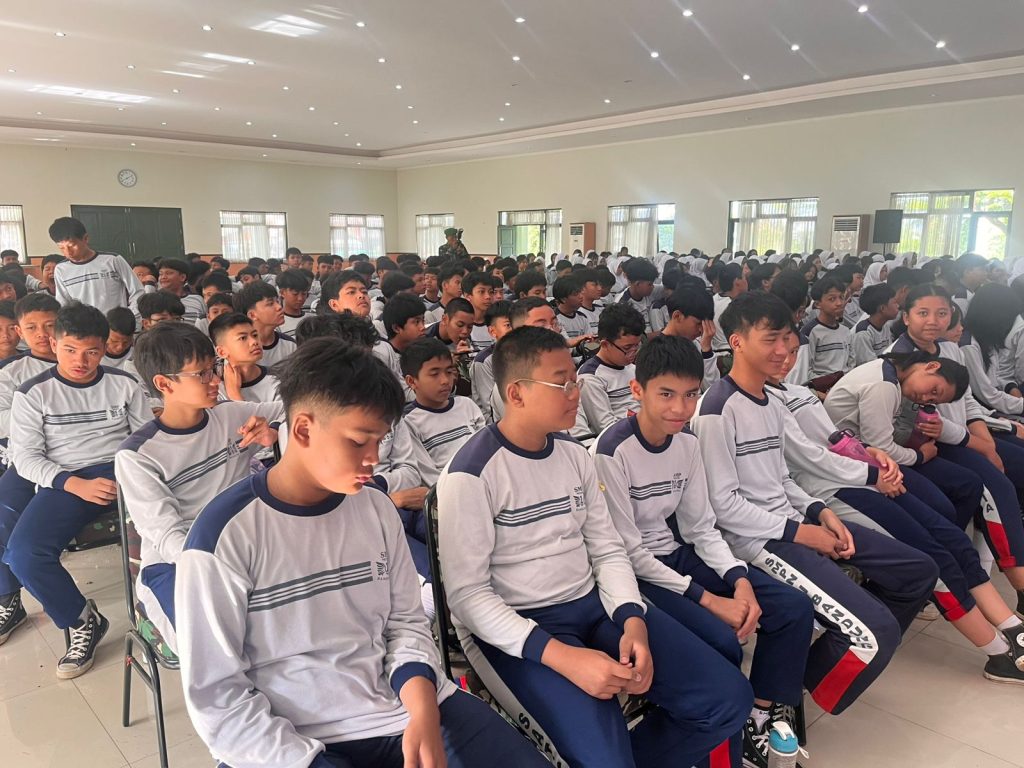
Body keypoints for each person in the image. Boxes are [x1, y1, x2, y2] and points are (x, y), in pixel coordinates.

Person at [176, 338, 548, 768]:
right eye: (358, 442)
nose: (373, 459)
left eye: (380, 441)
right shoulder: (222, 537)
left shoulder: (374, 508)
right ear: (303, 430)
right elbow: (218, 698)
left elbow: (404, 623)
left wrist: (424, 711)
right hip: (293, 737)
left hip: (401, 705)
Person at [437, 326, 752, 768]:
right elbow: (468, 597)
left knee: (728, 700)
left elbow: (607, 549)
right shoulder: (470, 474)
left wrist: (633, 620)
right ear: (517, 393)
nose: (576, 392)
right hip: (520, 627)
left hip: (593, 605)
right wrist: (564, 658)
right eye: (562, 383)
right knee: (605, 757)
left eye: (575, 380)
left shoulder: (573, 455)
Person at [689, 292, 938, 715]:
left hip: (794, 522)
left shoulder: (772, 401)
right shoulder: (716, 410)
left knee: (918, 571)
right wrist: (803, 534)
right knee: (876, 633)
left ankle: (801, 670)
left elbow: (782, 478)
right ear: (737, 342)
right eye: (770, 339)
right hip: (757, 541)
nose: (784, 350)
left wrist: (819, 513)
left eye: (787, 338)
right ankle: (774, 705)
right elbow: (723, 507)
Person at [592, 335, 814, 767]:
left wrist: (739, 580)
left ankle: (756, 715)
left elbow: (700, 527)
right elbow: (627, 552)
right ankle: (703, 736)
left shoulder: (687, 443)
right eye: (666, 394)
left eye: (691, 394)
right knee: (721, 642)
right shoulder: (611, 451)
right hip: (636, 573)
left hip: (675, 555)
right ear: (637, 390)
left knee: (791, 607)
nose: (680, 407)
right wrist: (709, 600)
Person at [820, 351, 1024, 682]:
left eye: (934, 398)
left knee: (952, 536)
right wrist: (918, 455)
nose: (927, 399)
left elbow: (868, 446)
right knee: (937, 555)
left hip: (872, 473)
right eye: (933, 391)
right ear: (931, 365)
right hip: (848, 483)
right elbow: (874, 447)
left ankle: (1012, 628)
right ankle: (999, 652)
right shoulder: (882, 383)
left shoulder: (890, 380)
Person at [0, 303, 150, 674]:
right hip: (66, 478)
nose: (80, 361)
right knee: (24, 555)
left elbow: (146, 439)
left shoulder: (124, 383)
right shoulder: (33, 393)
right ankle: (82, 620)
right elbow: (26, 458)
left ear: (105, 348)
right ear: (54, 344)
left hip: (122, 470)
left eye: (91, 352)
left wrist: (130, 475)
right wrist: (73, 484)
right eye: (70, 350)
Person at [114, 324, 281, 651]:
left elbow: (301, 410)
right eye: (201, 374)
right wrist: (223, 565)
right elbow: (168, 535)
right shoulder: (139, 455)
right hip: (179, 564)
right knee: (211, 646)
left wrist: (274, 430)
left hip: (247, 543)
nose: (216, 380)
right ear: (164, 384)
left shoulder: (230, 416)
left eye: (214, 369)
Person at [400, 337, 484, 486]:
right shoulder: (409, 423)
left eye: (449, 371)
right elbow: (428, 475)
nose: (445, 380)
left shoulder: (467, 405)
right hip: (448, 489)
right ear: (412, 381)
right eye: (434, 374)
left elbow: (484, 449)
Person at [573, 303, 645, 439]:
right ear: (605, 344)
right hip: (620, 439)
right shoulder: (590, 377)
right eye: (627, 347)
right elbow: (605, 427)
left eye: (637, 345)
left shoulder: (633, 369)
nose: (633, 352)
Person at [48, 217, 144, 314]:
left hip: (115, 322)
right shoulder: (61, 269)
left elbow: (137, 291)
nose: (68, 252)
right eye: (61, 248)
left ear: (86, 238)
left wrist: (132, 317)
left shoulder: (112, 260)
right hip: (83, 323)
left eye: (72, 245)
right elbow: (63, 304)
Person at [961, 282, 1024, 415]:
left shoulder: (986, 340)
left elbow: (998, 376)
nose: (1010, 324)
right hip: (982, 410)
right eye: (1009, 317)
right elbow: (987, 395)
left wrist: (1011, 388)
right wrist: (1020, 405)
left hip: (999, 400)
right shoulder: (969, 346)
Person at [210, 313, 280, 405]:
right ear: (222, 352)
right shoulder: (212, 385)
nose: (254, 342)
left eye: (255, 335)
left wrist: (235, 395)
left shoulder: (277, 380)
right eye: (243, 338)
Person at [660, 287, 719, 389]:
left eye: (705, 324)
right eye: (698, 323)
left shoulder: (697, 344)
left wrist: (706, 351)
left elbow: (712, 389)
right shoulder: (657, 352)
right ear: (677, 316)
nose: (702, 330)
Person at [374, 293, 427, 402]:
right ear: (397, 328)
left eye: (423, 320)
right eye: (416, 322)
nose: (423, 327)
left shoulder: (422, 350)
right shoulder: (383, 354)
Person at [235, 281, 297, 367]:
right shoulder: (237, 350)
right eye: (270, 304)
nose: (279, 307)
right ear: (252, 315)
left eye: (278, 301)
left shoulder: (290, 345)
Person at [802, 274, 852, 379]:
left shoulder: (845, 331)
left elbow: (851, 363)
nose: (839, 303)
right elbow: (805, 370)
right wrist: (829, 381)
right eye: (832, 299)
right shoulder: (810, 332)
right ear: (818, 304)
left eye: (841, 297)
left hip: (845, 381)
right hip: (822, 384)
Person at [470, 300, 513, 424]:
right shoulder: (484, 361)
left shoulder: (524, 354)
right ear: (492, 331)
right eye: (508, 325)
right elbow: (490, 405)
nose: (514, 329)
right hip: (494, 422)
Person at [851, 283, 900, 367]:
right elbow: (868, 366)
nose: (898, 306)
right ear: (882, 308)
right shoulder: (863, 333)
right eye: (894, 302)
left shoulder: (885, 326)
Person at [710, 264, 748, 355]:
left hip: (716, 352)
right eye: (744, 278)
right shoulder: (736, 306)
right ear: (737, 281)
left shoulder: (713, 299)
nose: (747, 281)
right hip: (733, 353)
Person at [461, 271, 502, 355]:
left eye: (491, 292)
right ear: (468, 296)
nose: (488, 297)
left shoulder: (499, 323)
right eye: (481, 292)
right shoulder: (460, 326)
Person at [617, 259, 659, 335]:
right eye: (650, 284)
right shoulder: (622, 304)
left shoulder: (649, 292)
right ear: (638, 284)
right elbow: (631, 338)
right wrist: (662, 333)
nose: (653, 287)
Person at [157, 258, 206, 324]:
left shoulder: (197, 299)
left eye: (168, 273)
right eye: (161, 274)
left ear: (182, 277)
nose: (163, 277)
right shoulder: (155, 300)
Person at [276, 268, 312, 335]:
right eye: (295, 294)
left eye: (304, 294)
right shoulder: (277, 324)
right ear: (282, 292)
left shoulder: (312, 318)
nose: (300, 298)